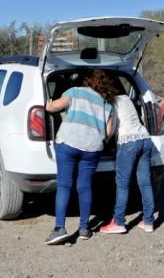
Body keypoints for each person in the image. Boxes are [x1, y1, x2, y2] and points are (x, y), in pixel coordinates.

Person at [44, 69, 117, 245]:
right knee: (85, 187)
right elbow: (108, 132)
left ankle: (59, 229)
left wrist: (48, 105)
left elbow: (54, 107)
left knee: (64, 186)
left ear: (87, 81)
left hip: (69, 142)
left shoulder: (75, 92)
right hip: (92, 148)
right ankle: (84, 228)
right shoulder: (107, 103)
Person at [99, 87, 155, 235]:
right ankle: (148, 221)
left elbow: (110, 129)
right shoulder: (126, 98)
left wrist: (103, 140)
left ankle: (118, 222)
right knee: (145, 182)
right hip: (144, 138)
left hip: (128, 142)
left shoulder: (109, 103)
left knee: (123, 184)